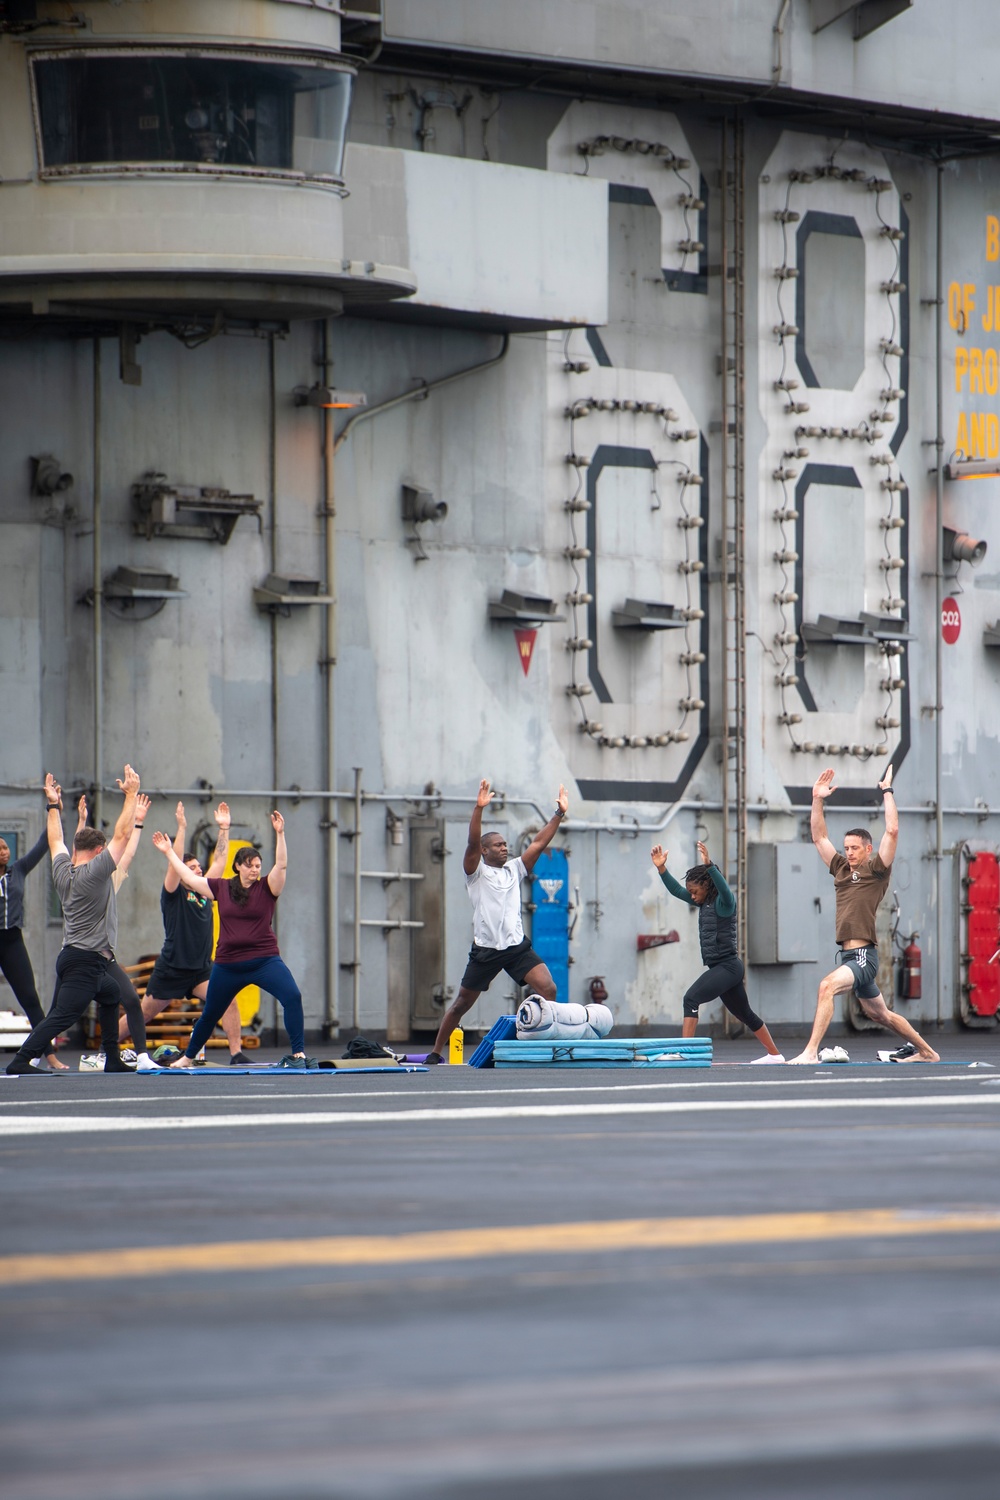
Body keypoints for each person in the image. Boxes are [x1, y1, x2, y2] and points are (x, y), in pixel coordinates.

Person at [5, 767, 161, 1075]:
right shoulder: (95, 873)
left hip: (81, 958)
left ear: (76, 850)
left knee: (111, 994)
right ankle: (22, 1059)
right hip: (84, 960)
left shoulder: (63, 870)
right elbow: (122, 835)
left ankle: (113, 1058)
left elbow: (55, 839)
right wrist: (130, 795)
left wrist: (53, 806)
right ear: (100, 852)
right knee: (64, 1014)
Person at [788, 765, 940, 1065]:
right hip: (847, 956)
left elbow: (893, 831)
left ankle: (809, 1053)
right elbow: (819, 837)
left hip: (862, 956)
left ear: (868, 849)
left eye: (855, 848)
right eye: (847, 848)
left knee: (826, 987)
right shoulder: (841, 868)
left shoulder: (876, 870)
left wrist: (887, 791)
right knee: (878, 1013)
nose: (850, 852)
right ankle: (927, 1052)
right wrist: (817, 799)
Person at [424, 778, 569, 1066]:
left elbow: (539, 842)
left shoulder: (515, 869)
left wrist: (559, 814)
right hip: (486, 950)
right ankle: (436, 1052)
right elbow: (471, 842)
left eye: (505, 844)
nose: (505, 848)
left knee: (549, 988)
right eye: (498, 845)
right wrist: (478, 809)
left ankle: (552, 1041)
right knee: (462, 1004)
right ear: (485, 851)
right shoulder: (475, 872)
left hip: (516, 948)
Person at [151, 810, 311, 1069]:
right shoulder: (222, 887)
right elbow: (190, 878)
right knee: (211, 1013)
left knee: (292, 996)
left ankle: (299, 1054)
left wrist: (280, 834)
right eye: (250, 866)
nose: (255, 871)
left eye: (258, 866)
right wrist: (169, 853)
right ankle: (186, 1058)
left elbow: (281, 865)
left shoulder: (268, 888)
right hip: (229, 965)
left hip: (264, 961)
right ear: (239, 866)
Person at [118, 800, 250, 1064]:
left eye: (199, 868)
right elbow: (172, 865)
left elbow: (221, 861)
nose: (199, 871)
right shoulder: (173, 893)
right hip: (173, 968)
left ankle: (236, 1053)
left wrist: (224, 828)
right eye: (192, 869)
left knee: (228, 999)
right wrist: (182, 827)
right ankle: (107, 1045)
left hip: (200, 968)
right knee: (143, 1013)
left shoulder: (205, 891)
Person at [651, 839, 784, 1063]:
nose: (692, 896)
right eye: (691, 892)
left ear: (708, 886)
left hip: (728, 966)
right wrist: (661, 868)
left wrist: (710, 865)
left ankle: (685, 1053)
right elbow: (676, 890)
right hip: (723, 968)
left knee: (691, 998)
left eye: (695, 891)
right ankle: (775, 1054)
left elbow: (723, 888)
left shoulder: (725, 903)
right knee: (744, 1014)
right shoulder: (704, 904)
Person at [0, 787, 68, 1069]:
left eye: (5, 847)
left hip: (12, 941)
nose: (4, 851)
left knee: (30, 998)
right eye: (0, 848)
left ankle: (49, 1055)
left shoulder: (18, 870)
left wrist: (54, 808)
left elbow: (44, 843)